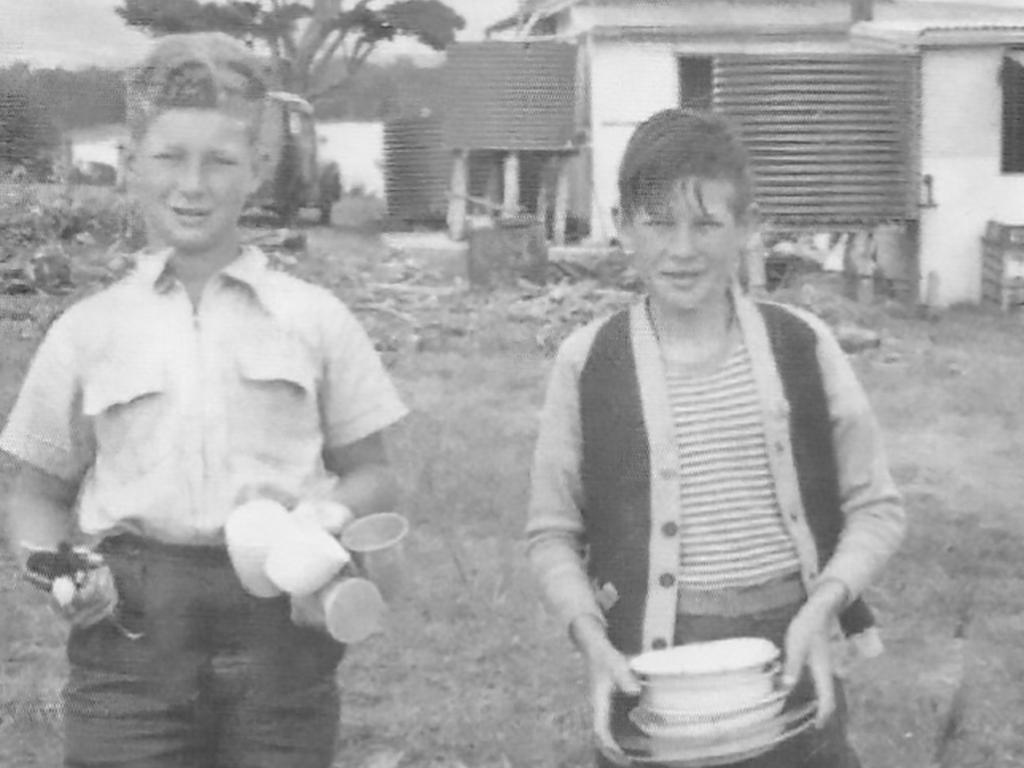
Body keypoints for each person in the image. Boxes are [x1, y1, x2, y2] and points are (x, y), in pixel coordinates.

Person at [0, 33, 408, 768]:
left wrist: (324, 522)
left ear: (258, 168)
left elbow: (372, 472)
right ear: (130, 165)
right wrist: (59, 571)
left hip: (282, 641)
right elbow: (36, 494)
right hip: (129, 642)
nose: (194, 184)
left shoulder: (314, 319)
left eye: (221, 161)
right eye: (169, 158)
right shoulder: (86, 331)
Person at [526, 108, 906, 768]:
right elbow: (553, 533)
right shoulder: (587, 363)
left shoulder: (803, 345)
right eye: (658, 223)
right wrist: (591, 637)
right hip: (654, 669)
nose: (681, 249)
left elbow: (876, 507)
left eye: (706, 223)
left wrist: (827, 602)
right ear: (622, 227)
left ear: (748, 229)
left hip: (793, 655)